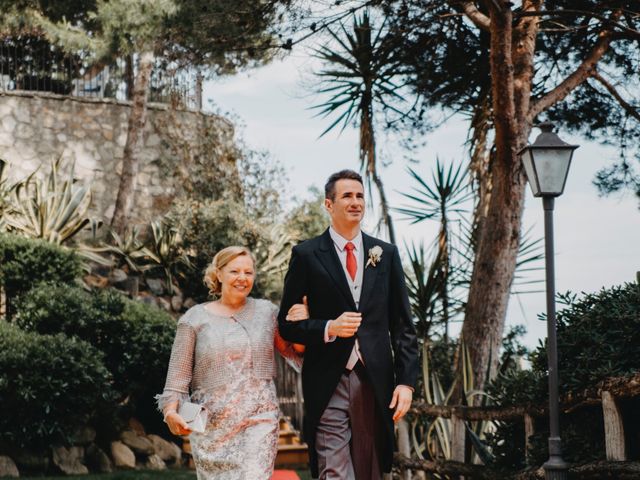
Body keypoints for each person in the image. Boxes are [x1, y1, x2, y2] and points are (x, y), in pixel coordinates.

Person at [278, 169, 419, 479]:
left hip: (374, 379)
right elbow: (286, 326)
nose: (355, 202)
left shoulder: (387, 255)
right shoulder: (305, 255)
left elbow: (403, 326)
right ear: (329, 205)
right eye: (347, 196)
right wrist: (329, 327)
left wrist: (406, 381)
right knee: (334, 471)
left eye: (359, 196)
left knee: (370, 469)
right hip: (328, 378)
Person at [156, 246, 304, 480]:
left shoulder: (267, 312)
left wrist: (303, 321)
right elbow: (178, 376)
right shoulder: (193, 319)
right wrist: (170, 412)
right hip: (212, 431)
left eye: (249, 272)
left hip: (260, 420)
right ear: (218, 274)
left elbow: (294, 351)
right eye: (235, 271)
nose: (242, 278)